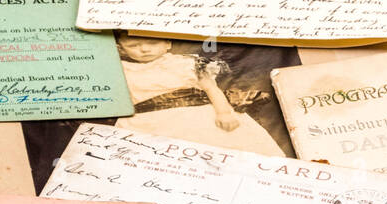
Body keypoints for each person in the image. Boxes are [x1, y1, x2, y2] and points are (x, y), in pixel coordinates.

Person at [112, 34, 284, 155]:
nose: (144, 49)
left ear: (167, 42)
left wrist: (224, 112)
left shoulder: (188, 63)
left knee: (230, 147)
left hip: (196, 116)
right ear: (121, 48)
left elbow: (211, 88)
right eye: (134, 45)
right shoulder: (121, 70)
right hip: (147, 122)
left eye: (152, 43)